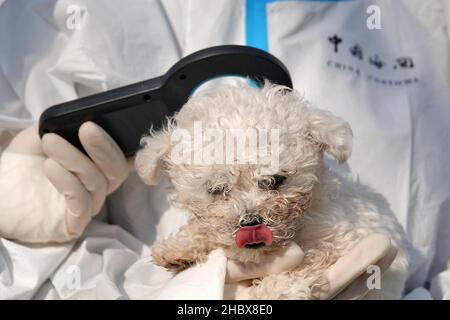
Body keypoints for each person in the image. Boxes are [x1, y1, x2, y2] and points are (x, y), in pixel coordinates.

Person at [0, 0, 449, 299]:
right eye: (218, 190)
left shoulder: (415, 21)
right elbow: (24, 271)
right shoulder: (59, 13)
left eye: (273, 183)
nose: (251, 212)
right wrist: (187, 295)